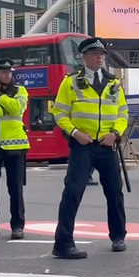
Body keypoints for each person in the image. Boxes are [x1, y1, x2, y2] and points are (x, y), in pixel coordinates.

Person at [51, 37, 128, 259]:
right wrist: (75, 133)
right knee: (73, 192)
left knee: (114, 192)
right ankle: (63, 244)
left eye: (102, 54)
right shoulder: (71, 82)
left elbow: (122, 113)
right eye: (95, 54)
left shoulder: (113, 83)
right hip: (82, 146)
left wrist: (115, 134)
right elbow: (59, 113)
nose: (99, 57)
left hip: (107, 145)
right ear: (83, 57)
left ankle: (118, 236)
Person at [0, 58, 29, 240]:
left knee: (15, 189)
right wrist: (2, 109)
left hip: (16, 146)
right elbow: (7, 110)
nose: (7, 75)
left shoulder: (19, 90)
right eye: (3, 72)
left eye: (9, 72)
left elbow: (17, 109)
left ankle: (17, 226)